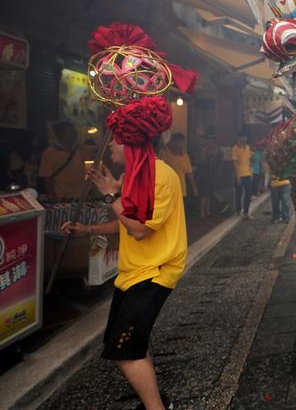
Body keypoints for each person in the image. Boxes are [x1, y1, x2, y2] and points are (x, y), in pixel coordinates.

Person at [62, 137, 186, 410]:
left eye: (116, 142)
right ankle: (158, 402)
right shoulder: (131, 175)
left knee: (124, 350)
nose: (110, 147)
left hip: (155, 271)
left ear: (133, 144)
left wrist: (111, 194)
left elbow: (140, 229)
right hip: (132, 272)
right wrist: (88, 230)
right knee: (131, 346)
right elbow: (125, 223)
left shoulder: (160, 175)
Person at [38, 121, 93, 199]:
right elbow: (46, 177)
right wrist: (52, 196)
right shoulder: (49, 153)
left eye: (74, 132)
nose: (74, 134)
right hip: (61, 197)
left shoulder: (81, 149)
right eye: (70, 132)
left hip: (81, 196)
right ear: (60, 134)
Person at [160, 133, 197, 203]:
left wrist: (194, 187)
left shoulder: (185, 156)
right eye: (180, 142)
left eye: (183, 143)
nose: (183, 145)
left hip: (181, 188)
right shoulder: (165, 153)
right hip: (167, 188)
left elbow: (189, 173)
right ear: (174, 142)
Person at [231, 132, 254, 219]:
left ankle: (246, 212)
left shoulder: (248, 147)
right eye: (242, 137)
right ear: (239, 138)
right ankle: (238, 210)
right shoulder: (235, 148)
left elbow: (249, 161)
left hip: (247, 174)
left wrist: (251, 173)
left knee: (248, 193)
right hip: (239, 174)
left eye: (245, 137)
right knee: (239, 193)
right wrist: (237, 176)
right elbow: (234, 163)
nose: (244, 139)